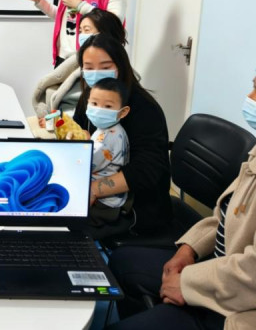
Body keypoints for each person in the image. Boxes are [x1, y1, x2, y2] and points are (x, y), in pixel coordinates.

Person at [106, 76, 256, 330]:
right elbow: (226, 215)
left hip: (238, 308)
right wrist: (188, 249)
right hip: (221, 267)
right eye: (253, 86)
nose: (250, 98)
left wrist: (186, 283)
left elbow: (251, 275)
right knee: (122, 262)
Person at [73, 34, 171, 237]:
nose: (96, 73)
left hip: (134, 207)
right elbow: (79, 133)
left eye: (105, 66)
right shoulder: (90, 98)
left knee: (61, 224)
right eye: (89, 67)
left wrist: (92, 190)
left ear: (121, 66)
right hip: (94, 185)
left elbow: (146, 171)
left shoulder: (144, 109)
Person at [32, 8, 126, 122]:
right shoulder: (76, 59)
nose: (81, 36)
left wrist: (58, 122)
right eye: (80, 31)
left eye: (87, 30)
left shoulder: (118, 81)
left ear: (105, 33)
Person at [85, 77, 130, 227]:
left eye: (108, 106)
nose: (99, 110)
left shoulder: (110, 136)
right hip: (107, 197)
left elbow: (87, 163)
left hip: (104, 203)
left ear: (122, 112)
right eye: (94, 104)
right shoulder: (107, 129)